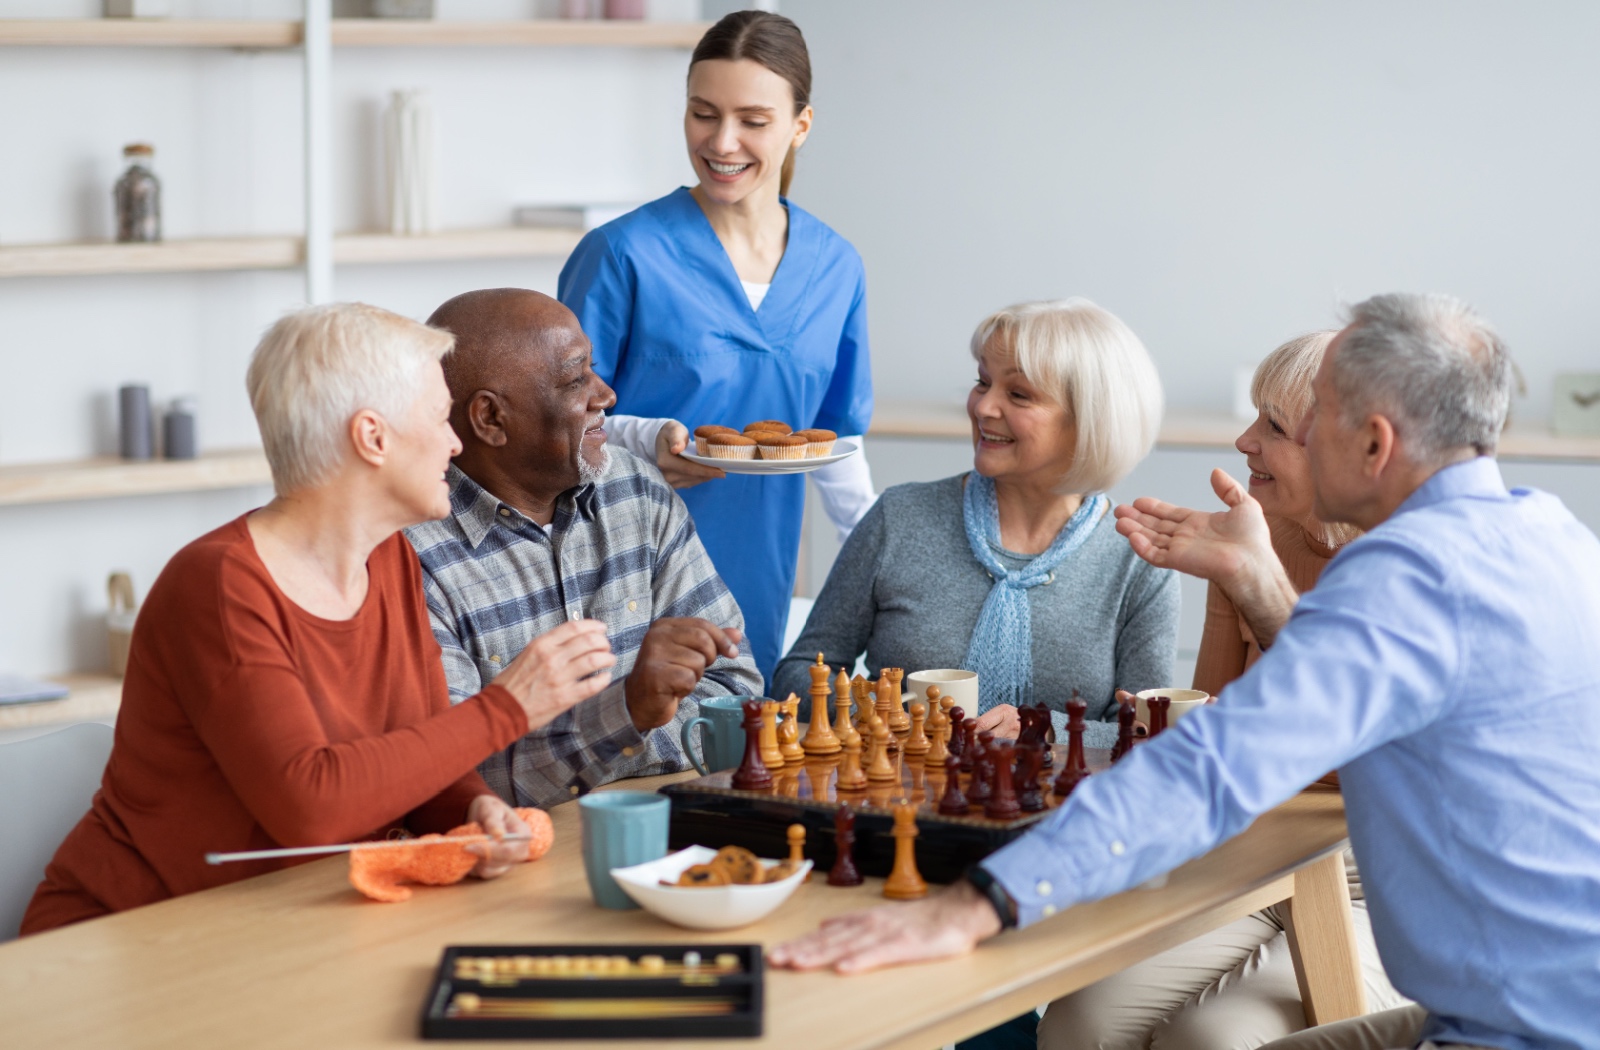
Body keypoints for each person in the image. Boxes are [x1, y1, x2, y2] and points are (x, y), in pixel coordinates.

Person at [769, 293, 1600, 1050]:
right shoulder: (1554, 535)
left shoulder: (1404, 580)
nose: (1252, 444)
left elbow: (1210, 768)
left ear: (1374, 444)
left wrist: (971, 907)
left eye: (1313, 419)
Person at [21, 303, 618, 935]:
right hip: (128, 937)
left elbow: (414, 752)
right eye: (441, 418)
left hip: (281, 926)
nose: (454, 442)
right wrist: (508, 707)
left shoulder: (389, 558)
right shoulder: (218, 586)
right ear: (372, 438)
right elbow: (311, 805)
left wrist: (474, 810)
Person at [1037, 333, 1408, 1050]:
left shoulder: (1410, 563)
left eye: (1273, 426)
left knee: (1211, 1042)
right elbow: (1213, 726)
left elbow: (1368, 758)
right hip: (1258, 861)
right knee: (1075, 1023)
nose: (1244, 441)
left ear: (1348, 445)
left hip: (1386, 894)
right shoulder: (1255, 533)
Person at [559, 10, 875, 682]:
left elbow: (837, 445)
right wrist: (645, 439)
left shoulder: (835, 266)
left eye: (753, 121)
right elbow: (551, 425)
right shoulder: (621, 255)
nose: (722, 141)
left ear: (801, 125)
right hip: (623, 581)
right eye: (703, 113)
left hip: (758, 579)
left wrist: (879, 582)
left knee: (738, 759)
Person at [405, 289, 764, 809]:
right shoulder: (413, 554)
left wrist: (572, 755)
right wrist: (631, 711)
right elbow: (457, 781)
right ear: (490, 419)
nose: (607, 395)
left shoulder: (637, 492)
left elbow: (736, 697)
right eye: (576, 379)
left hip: (673, 827)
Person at [773, 299, 1178, 745]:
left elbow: (1148, 732)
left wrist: (1043, 729)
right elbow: (797, 675)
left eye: (1018, 394)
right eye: (982, 382)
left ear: (1091, 421)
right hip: (895, 799)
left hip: (1064, 812)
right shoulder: (899, 517)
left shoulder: (1140, 559)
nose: (984, 407)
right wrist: (886, 711)